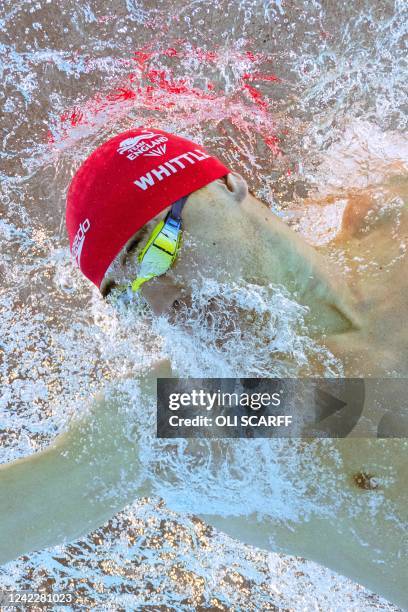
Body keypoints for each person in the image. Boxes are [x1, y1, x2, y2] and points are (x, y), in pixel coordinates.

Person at [1, 127, 407, 607]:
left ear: (229, 186)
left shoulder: (395, 223)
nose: (160, 302)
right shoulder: (206, 412)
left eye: (155, 250)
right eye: (129, 297)